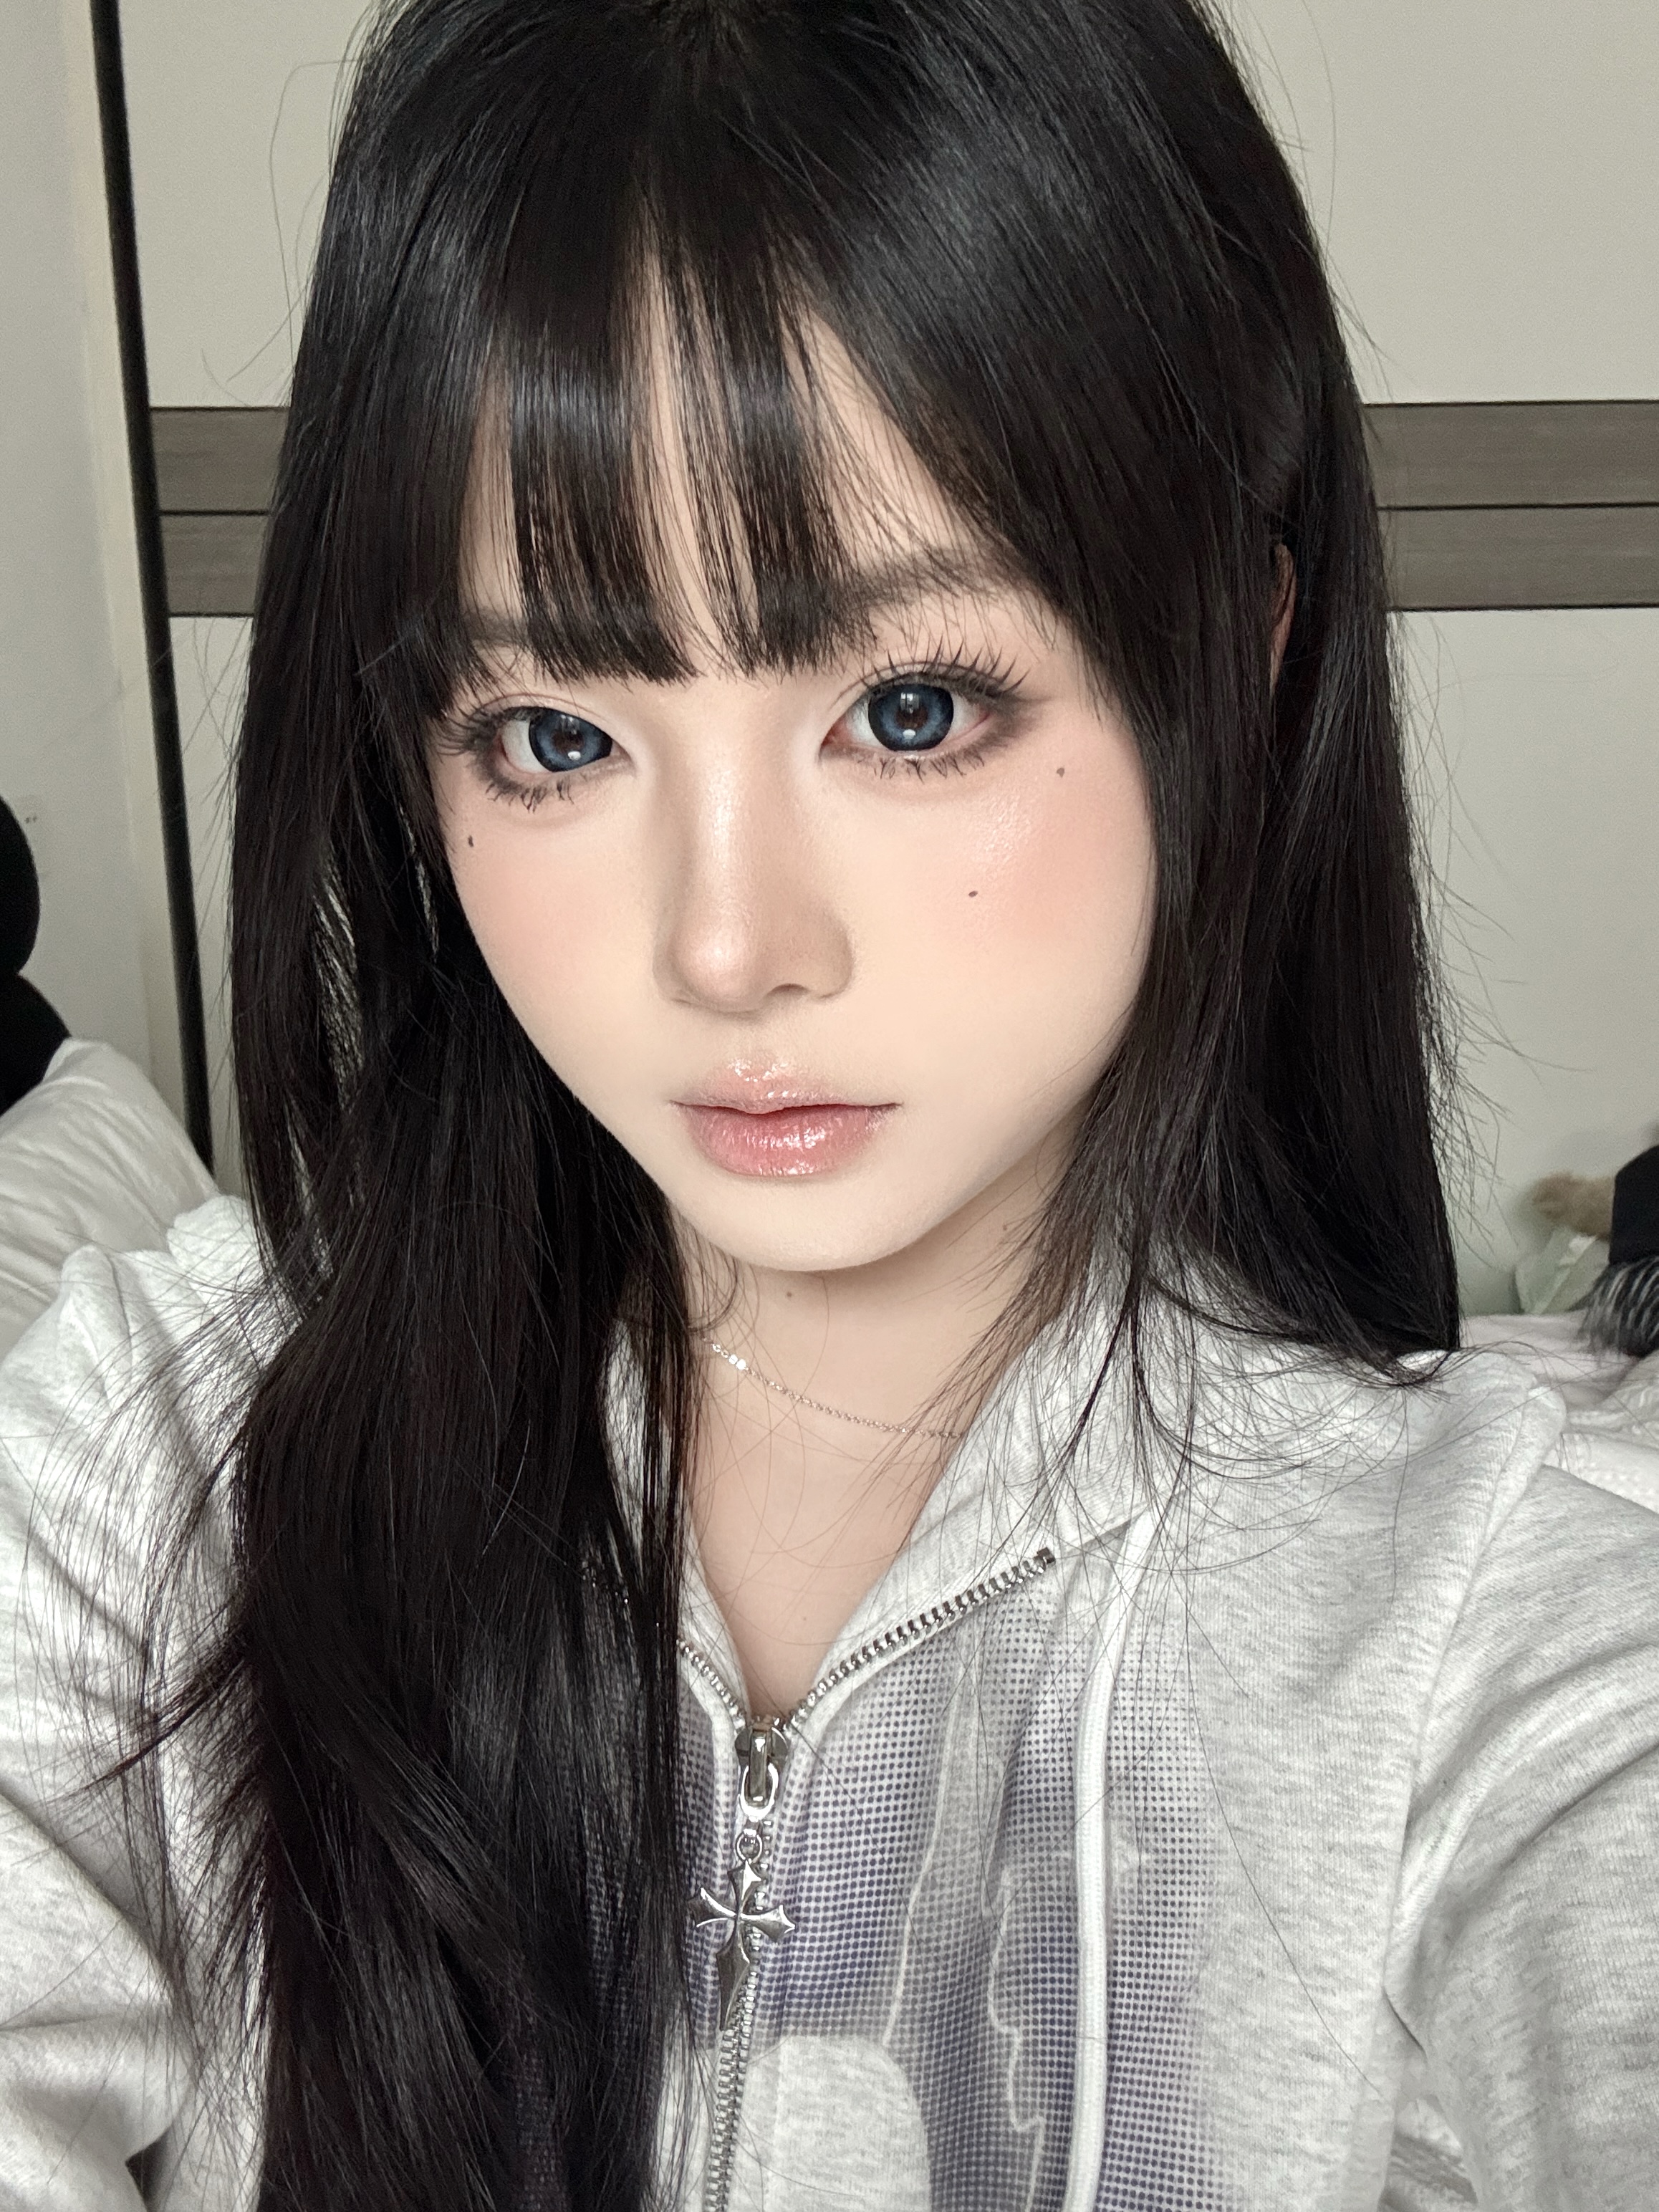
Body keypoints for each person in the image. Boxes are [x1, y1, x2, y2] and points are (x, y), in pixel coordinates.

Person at [1, 0, 1656, 2206]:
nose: (726, 948)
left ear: (1237, 656)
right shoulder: (160, 1452)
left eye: (910, 708)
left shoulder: (1505, 1614)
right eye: (555, 737)